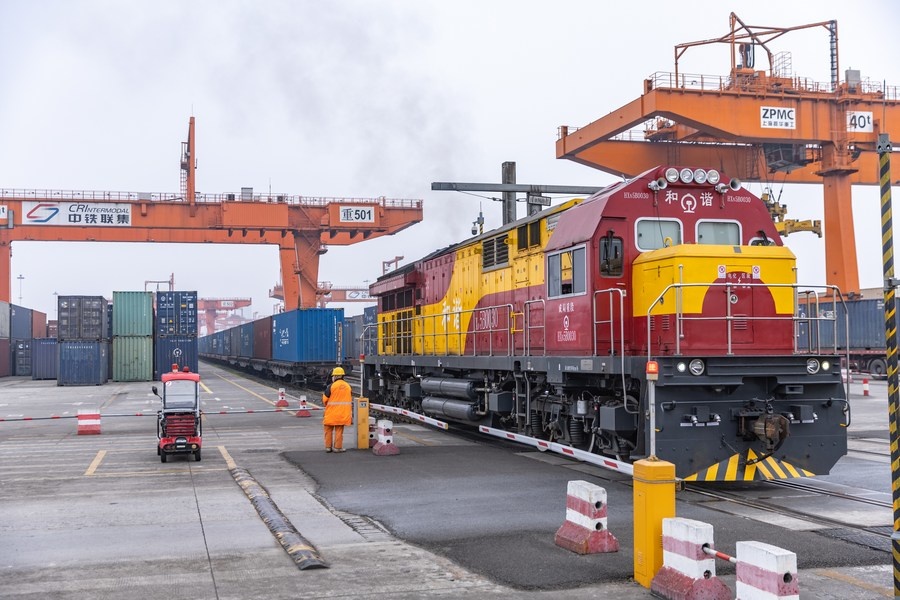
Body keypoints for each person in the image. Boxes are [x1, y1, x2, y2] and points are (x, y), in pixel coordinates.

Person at [322, 366, 352, 453]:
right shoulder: (348, 386)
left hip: (330, 414)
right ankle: (338, 448)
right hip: (342, 414)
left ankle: (328, 447)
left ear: (335, 376)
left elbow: (324, 400)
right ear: (342, 376)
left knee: (328, 430)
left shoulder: (331, 386)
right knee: (339, 431)